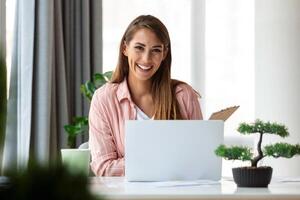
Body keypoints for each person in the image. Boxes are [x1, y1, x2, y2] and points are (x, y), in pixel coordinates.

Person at [89, 15, 203, 176]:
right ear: (125, 49)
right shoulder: (104, 99)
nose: (146, 59)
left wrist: (144, 163)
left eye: (156, 50)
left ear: (164, 54)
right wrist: (161, 161)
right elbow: (104, 167)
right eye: (139, 48)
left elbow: (200, 159)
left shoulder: (183, 95)